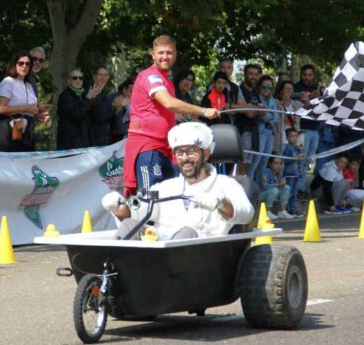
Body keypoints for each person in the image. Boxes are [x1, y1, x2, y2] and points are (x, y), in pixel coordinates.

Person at [103, 122, 254, 240]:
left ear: (206, 153)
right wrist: (119, 207)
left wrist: (221, 203)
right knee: (129, 225)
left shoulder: (225, 184)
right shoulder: (165, 188)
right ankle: (110, 276)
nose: (185, 158)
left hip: (203, 253)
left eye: (191, 151)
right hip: (159, 252)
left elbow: (247, 214)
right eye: (180, 152)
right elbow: (138, 213)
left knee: (187, 232)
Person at [123, 35, 219, 196]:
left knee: (172, 197)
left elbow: (166, 112)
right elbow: (168, 103)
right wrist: (203, 111)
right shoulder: (150, 76)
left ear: (175, 55)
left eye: (169, 53)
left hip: (166, 148)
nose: (165, 57)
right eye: (161, 53)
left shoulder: (166, 80)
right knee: (150, 199)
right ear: (152, 54)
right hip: (148, 147)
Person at [0, 51, 42, 152]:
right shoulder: (8, 82)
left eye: (27, 64)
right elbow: (0, 109)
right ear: (14, 64)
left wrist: (38, 112)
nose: (24, 66)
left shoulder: (29, 85)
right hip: (7, 131)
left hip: (25, 133)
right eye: (21, 63)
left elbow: (29, 110)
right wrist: (25, 108)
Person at [56, 68, 104, 149]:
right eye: (74, 78)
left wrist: (94, 99)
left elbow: (96, 116)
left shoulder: (84, 95)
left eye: (80, 78)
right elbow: (77, 114)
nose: (78, 80)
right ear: (68, 80)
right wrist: (88, 99)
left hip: (85, 143)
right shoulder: (65, 96)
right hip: (70, 145)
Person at [248, 75, 279, 184]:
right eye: (265, 87)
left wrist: (268, 114)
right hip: (260, 132)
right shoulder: (255, 97)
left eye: (270, 87)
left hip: (270, 132)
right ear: (259, 86)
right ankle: (249, 190)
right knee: (255, 163)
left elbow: (277, 117)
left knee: (264, 163)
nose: (267, 89)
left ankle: (260, 191)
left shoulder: (272, 100)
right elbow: (262, 116)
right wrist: (270, 115)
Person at [88, 66, 115, 146]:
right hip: (91, 142)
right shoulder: (89, 93)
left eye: (106, 75)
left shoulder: (104, 94)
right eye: (100, 74)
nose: (103, 77)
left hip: (104, 140)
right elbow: (98, 116)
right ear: (94, 76)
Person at [282, 128, 306, 217]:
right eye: (292, 136)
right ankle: (288, 210)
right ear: (287, 138)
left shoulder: (297, 148)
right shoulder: (287, 148)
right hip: (289, 174)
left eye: (296, 136)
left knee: (294, 194)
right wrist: (296, 157)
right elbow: (285, 160)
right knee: (289, 193)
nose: (294, 138)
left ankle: (293, 210)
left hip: (296, 174)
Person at [275, 80, 301, 152]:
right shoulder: (276, 102)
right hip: (280, 137)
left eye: (291, 89)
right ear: (281, 91)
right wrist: (283, 101)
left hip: (292, 139)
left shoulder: (296, 104)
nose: (289, 91)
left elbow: (308, 107)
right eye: (286, 88)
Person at [109, 77, 132, 143]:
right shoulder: (116, 101)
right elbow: (119, 130)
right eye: (131, 91)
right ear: (124, 90)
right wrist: (119, 108)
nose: (133, 94)